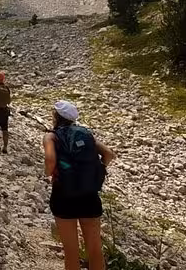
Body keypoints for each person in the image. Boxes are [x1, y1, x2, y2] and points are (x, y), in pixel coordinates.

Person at [43, 101, 115, 270]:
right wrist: (101, 168)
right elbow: (109, 154)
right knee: (95, 248)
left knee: (71, 251)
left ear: (55, 117)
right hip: (89, 195)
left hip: (63, 195)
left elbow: (50, 159)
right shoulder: (85, 134)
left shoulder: (51, 137)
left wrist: (48, 173)